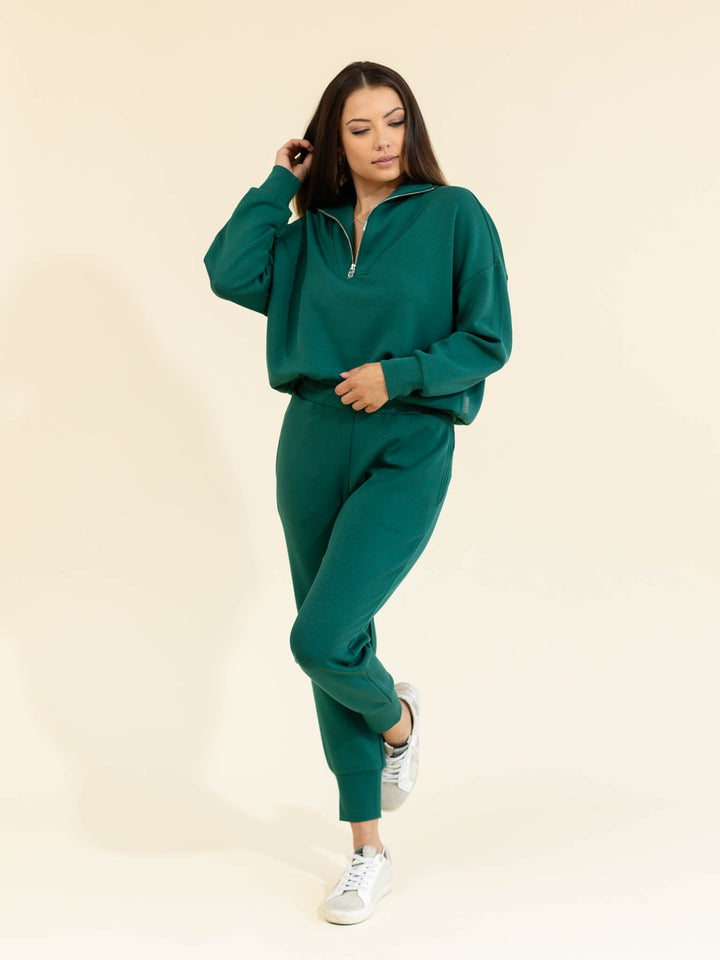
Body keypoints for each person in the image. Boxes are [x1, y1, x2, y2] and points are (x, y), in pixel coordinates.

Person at [203, 60, 512, 924]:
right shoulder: (307, 235)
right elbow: (228, 271)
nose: (383, 141)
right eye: (360, 127)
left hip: (408, 441)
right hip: (310, 439)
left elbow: (488, 338)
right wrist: (279, 182)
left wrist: (397, 375)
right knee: (336, 642)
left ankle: (397, 723)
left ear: (414, 126)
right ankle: (366, 850)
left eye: (395, 120)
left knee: (321, 638)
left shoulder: (454, 215)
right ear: (332, 142)